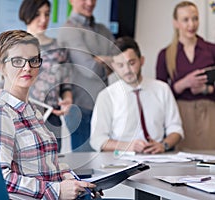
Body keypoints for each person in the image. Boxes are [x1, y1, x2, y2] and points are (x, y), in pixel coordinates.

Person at [0, 30, 96, 199]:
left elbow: (50, 165)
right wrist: (56, 191)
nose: (27, 67)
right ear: (1, 67)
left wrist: (76, 182)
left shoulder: (33, 111)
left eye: (33, 60)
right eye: (17, 61)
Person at [0, 0, 73, 152]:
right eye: (37, 14)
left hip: (51, 119)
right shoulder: (14, 46)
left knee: (52, 166)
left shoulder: (59, 49)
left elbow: (65, 85)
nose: (43, 19)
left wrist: (67, 100)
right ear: (27, 14)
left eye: (47, 14)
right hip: (21, 118)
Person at [90, 36, 184, 154]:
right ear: (113, 66)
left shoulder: (162, 89)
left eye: (131, 63)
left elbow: (176, 129)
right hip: (120, 159)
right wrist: (128, 146)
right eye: (120, 65)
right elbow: (97, 140)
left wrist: (164, 145)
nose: (127, 70)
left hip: (157, 157)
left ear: (142, 60)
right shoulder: (106, 96)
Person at [156, 1, 215, 150]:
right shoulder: (165, 55)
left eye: (195, 18)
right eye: (186, 19)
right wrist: (182, 84)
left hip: (210, 115)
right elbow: (158, 96)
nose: (192, 24)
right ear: (175, 23)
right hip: (180, 118)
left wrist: (206, 90)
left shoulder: (211, 50)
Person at [57, 0, 115, 152]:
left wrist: (101, 60)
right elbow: (90, 68)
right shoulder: (69, 29)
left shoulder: (103, 30)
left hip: (103, 107)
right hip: (80, 109)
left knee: (105, 164)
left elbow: (118, 61)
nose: (90, 3)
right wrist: (105, 61)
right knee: (86, 168)